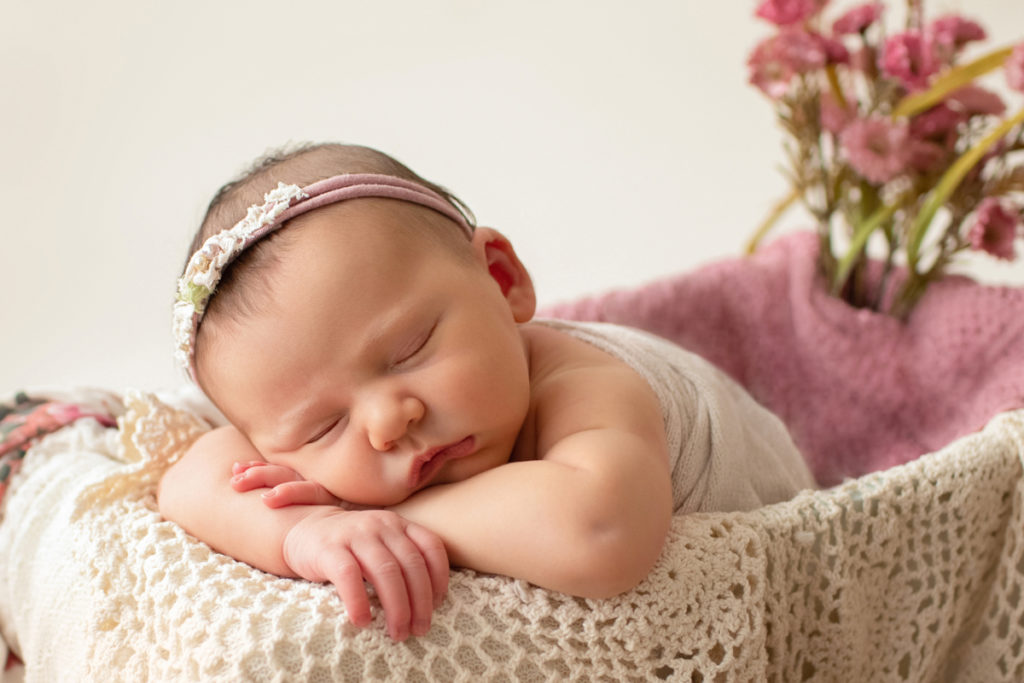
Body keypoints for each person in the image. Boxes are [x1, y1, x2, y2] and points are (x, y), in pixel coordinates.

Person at [158, 142, 815, 642]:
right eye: (324, 426)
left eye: (410, 350)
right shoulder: (291, 410)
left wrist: (390, 517)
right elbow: (188, 481)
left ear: (501, 279)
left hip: (779, 593)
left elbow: (600, 529)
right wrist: (306, 531)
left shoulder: (586, 385)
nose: (388, 421)